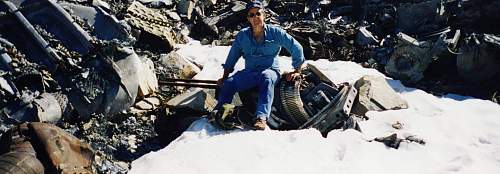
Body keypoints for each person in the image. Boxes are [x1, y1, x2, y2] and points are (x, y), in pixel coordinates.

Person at [215, 0, 305, 130]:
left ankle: (261, 118)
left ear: (264, 15)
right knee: (230, 83)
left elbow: (296, 47)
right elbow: (232, 57)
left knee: (266, 77)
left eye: (258, 14)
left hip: (271, 70)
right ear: (248, 18)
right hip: (250, 72)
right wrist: (224, 77)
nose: (255, 17)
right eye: (251, 15)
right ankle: (220, 112)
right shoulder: (242, 36)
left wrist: (297, 69)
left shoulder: (275, 32)